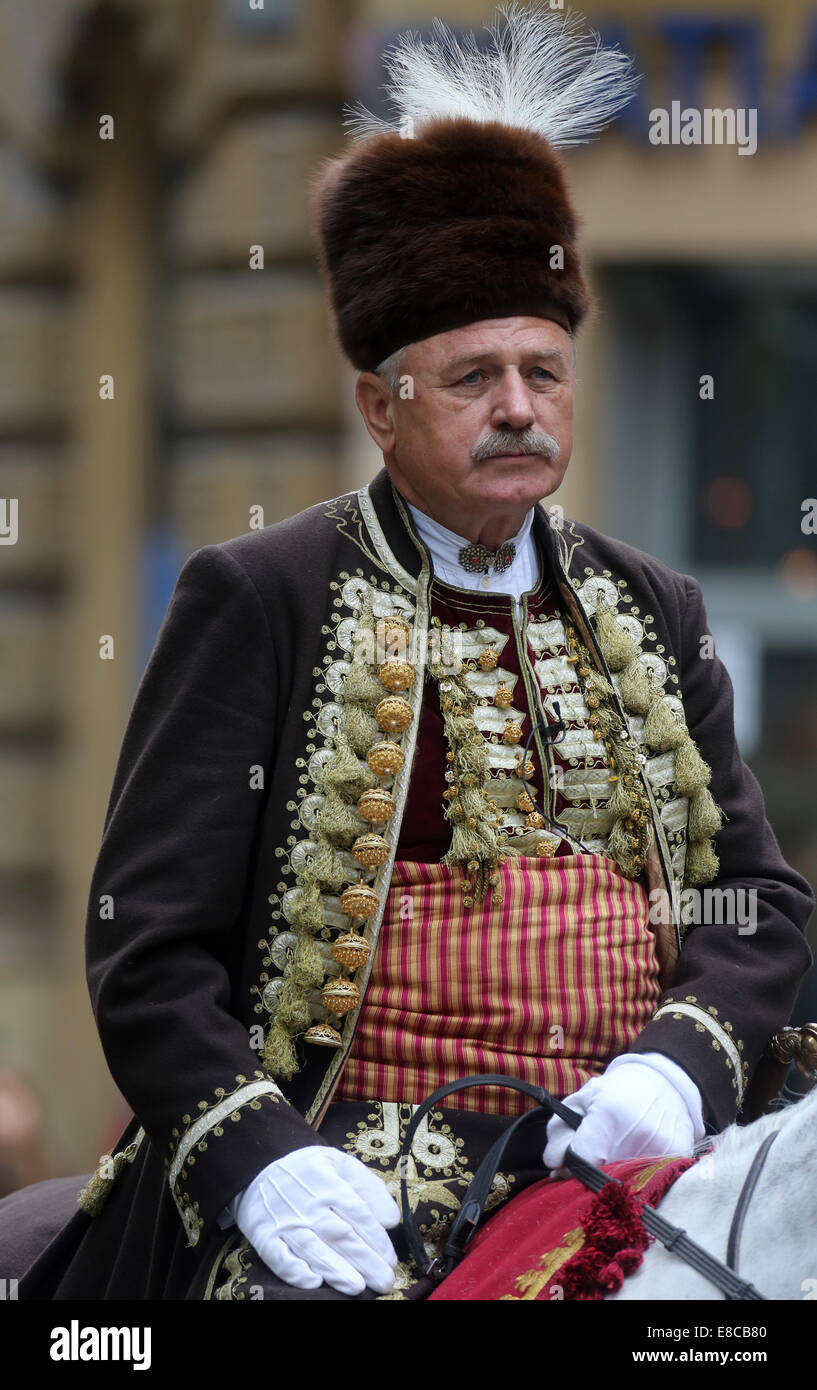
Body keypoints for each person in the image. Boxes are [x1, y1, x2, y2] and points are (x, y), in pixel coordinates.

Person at [6, 3, 813, 1302]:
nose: (517, 408)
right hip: (340, 1169)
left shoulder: (651, 603)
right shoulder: (259, 595)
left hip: (614, 1158)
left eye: (543, 373)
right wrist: (262, 1159)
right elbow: (148, 946)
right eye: (473, 375)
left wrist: (674, 1066)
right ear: (379, 406)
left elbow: (755, 904)